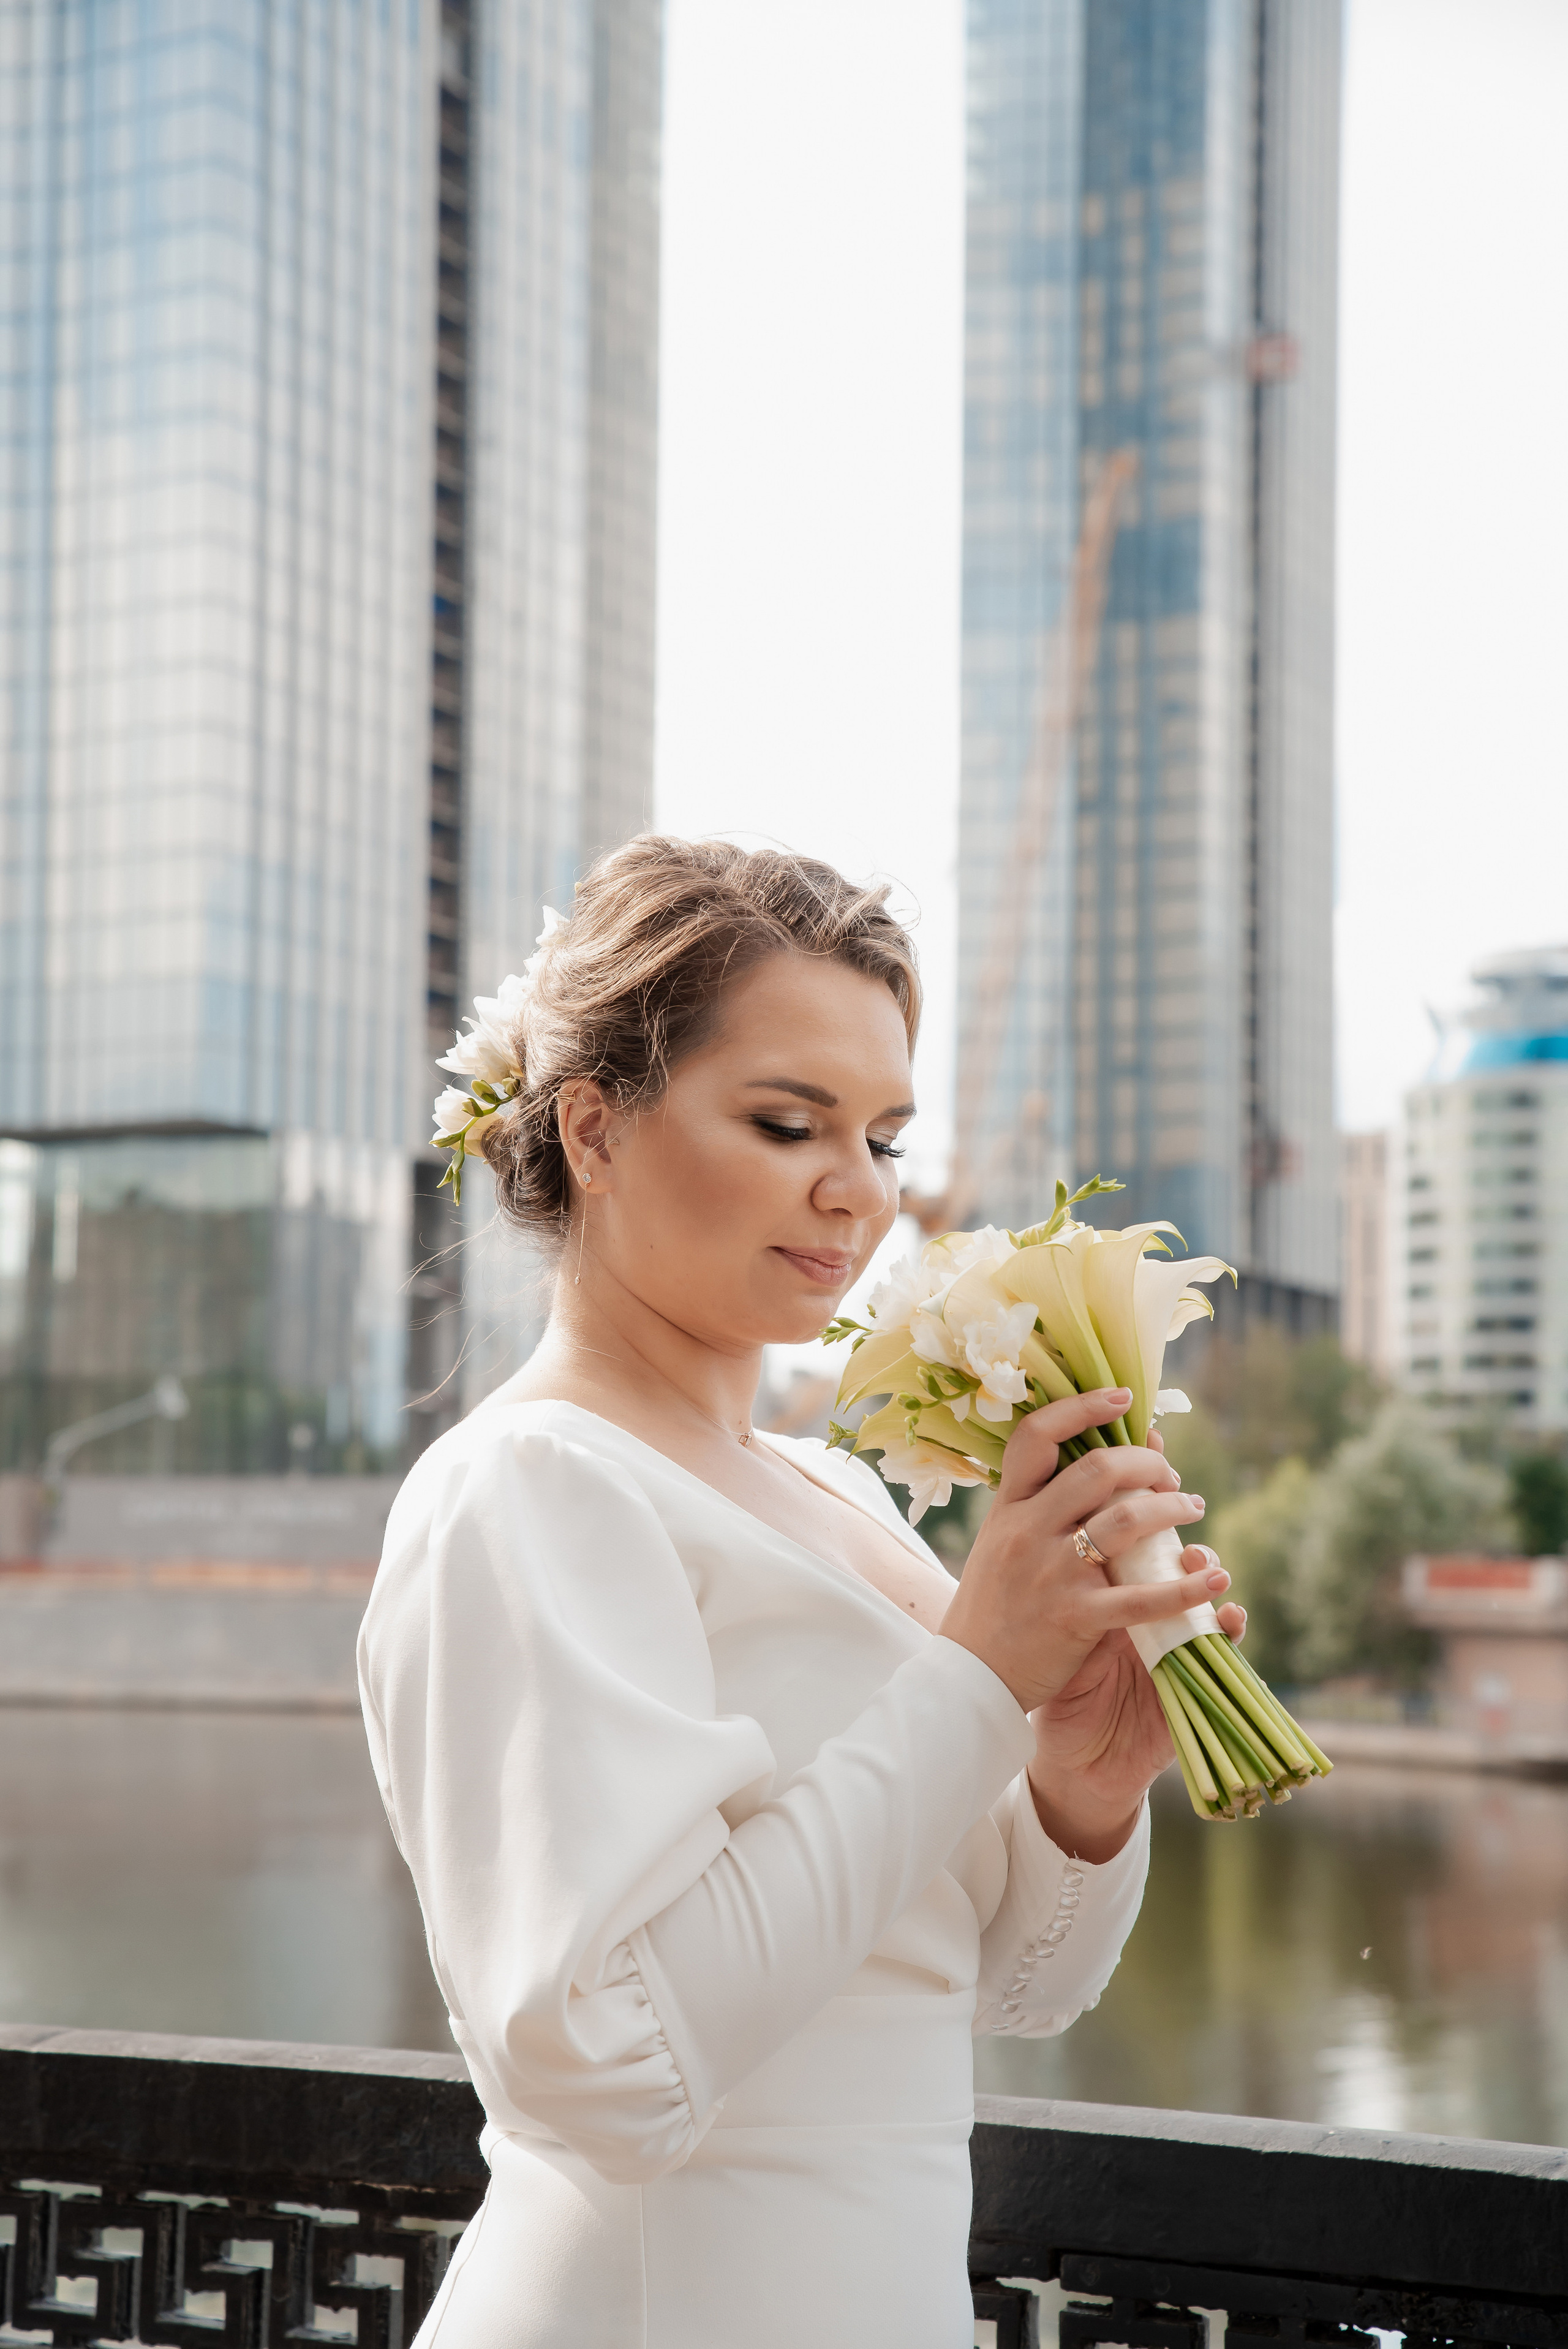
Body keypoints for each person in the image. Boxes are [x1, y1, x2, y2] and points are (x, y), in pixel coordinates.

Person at [358, 837, 1244, 2349]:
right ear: (593, 1128)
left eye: (884, 1139)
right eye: (786, 1124)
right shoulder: (528, 1486)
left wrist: (1077, 1787)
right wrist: (973, 1680)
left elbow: (1006, 1987)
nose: (856, 1193)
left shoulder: (838, 1487)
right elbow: (607, 2065)